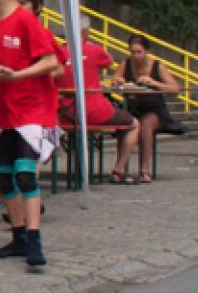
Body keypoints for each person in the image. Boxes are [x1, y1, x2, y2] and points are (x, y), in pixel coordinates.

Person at [0, 0, 61, 268]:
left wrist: (16, 76)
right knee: (3, 175)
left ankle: (34, 238)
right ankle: (18, 237)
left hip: (29, 109)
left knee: (25, 173)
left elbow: (51, 62)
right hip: (3, 109)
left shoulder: (27, 21)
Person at [53, 25, 139, 184]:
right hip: (95, 112)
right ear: (85, 32)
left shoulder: (57, 52)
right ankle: (119, 170)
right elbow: (109, 61)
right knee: (133, 124)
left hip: (63, 114)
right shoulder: (94, 50)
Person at [116, 35, 181, 183]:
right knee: (125, 122)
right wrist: (120, 82)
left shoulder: (157, 66)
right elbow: (114, 80)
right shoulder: (126, 64)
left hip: (155, 109)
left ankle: (144, 170)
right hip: (133, 107)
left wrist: (153, 82)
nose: (136, 56)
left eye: (139, 52)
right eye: (132, 52)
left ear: (146, 51)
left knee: (146, 124)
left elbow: (175, 89)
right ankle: (120, 169)